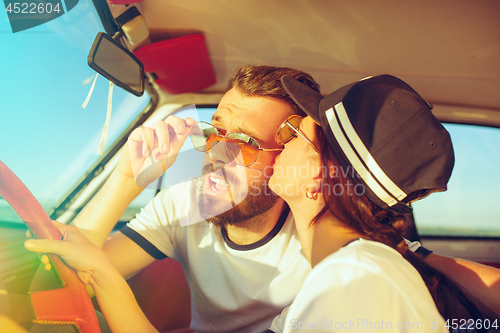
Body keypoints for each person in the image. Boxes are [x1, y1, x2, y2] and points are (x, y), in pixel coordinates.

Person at [24, 66, 500, 332]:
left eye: (248, 143)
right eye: (214, 132)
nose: (214, 152)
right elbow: (65, 279)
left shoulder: (345, 276)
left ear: (315, 175)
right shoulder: (189, 203)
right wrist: (125, 179)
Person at [266, 75, 497, 332]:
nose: (280, 143)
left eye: (294, 133)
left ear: (320, 175)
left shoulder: (352, 282)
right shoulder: (350, 275)